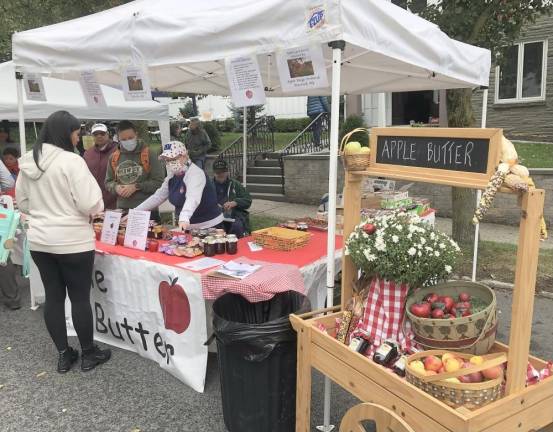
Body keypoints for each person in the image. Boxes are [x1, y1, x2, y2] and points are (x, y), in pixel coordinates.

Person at [15, 110, 111, 373]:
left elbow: (22, 202)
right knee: (79, 298)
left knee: (54, 298)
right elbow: (90, 203)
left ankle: (63, 354)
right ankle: (89, 353)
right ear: (66, 132)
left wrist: (45, 210)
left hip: (40, 242)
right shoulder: (72, 161)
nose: (79, 139)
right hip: (73, 241)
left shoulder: (28, 161)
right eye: (77, 133)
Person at [135, 141, 223, 231]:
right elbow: (158, 196)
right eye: (167, 160)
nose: (170, 163)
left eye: (173, 159)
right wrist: (135, 211)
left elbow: (192, 198)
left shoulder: (195, 173)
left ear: (184, 156)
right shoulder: (172, 176)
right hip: (188, 226)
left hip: (209, 225)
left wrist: (184, 217)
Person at [105, 120, 165, 219]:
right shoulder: (114, 157)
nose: (128, 141)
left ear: (136, 135)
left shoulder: (149, 154)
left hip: (147, 209)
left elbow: (159, 183)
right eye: (123, 139)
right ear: (118, 139)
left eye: (130, 138)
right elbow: (108, 182)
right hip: (123, 209)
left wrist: (136, 186)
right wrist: (116, 187)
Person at [212, 159, 252, 238]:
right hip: (214, 216)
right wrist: (213, 205)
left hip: (234, 216)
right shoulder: (208, 186)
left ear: (227, 172)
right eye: (218, 173)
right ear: (214, 173)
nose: (221, 175)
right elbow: (201, 202)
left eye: (223, 172)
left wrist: (235, 202)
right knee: (214, 229)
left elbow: (248, 200)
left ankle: (236, 246)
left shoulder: (235, 184)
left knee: (237, 226)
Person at [84, 123, 118, 210]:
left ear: (108, 134)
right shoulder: (87, 153)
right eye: (95, 134)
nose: (99, 136)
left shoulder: (118, 150)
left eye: (102, 133)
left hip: (114, 202)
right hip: (94, 201)